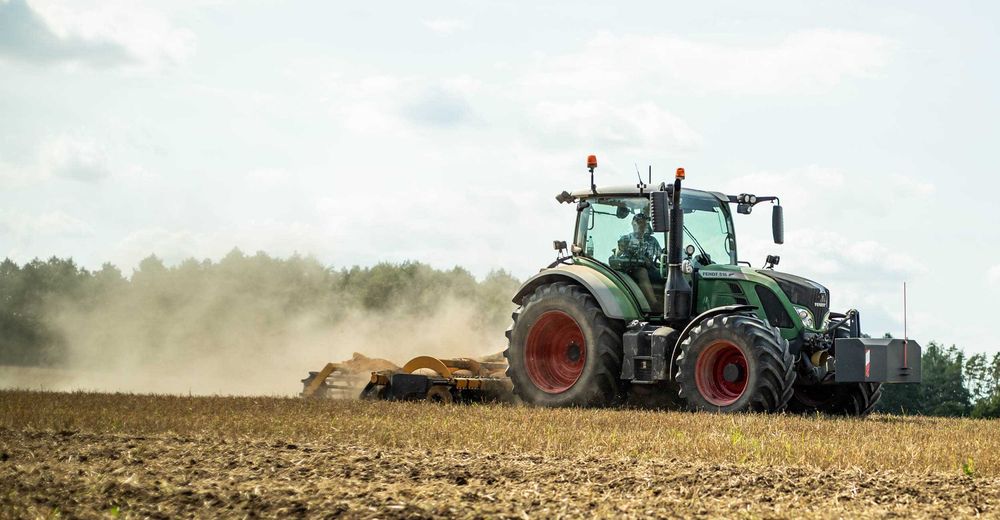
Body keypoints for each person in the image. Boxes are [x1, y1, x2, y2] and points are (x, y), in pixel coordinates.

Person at [613, 212, 663, 306]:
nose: (642, 225)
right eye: (639, 222)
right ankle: (654, 304)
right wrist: (621, 249)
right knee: (642, 272)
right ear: (633, 224)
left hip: (650, 269)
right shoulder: (626, 239)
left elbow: (661, 257)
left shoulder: (652, 240)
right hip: (631, 269)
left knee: (666, 273)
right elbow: (617, 255)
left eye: (644, 223)